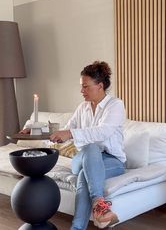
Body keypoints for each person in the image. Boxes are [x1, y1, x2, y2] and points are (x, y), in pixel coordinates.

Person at [50, 61, 126, 230]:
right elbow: (67, 130)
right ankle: (101, 209)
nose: (81, 91)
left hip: (112, 161)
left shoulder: (115, 105)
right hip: (82, 158)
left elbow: (103, 132)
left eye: (85, 86)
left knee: (85, 174)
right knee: (89, 150)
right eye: (81, 86)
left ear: (100, 85)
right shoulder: (82, 107)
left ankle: (77, 228)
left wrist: (70, 134)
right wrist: (38, 130)